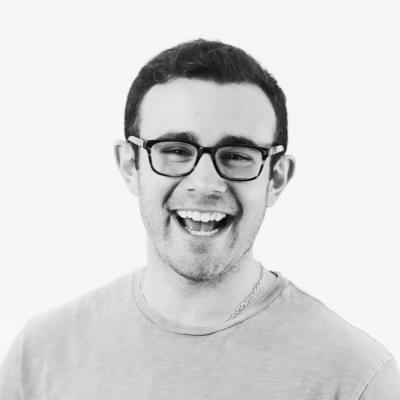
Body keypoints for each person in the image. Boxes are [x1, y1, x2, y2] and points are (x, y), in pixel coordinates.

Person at [1, 39, 399, 400]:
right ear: (130, 165)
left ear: (276, 178)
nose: (206, 183)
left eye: (237, 155)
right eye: (176, 150)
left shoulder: (357, 378)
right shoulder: (38, 357)